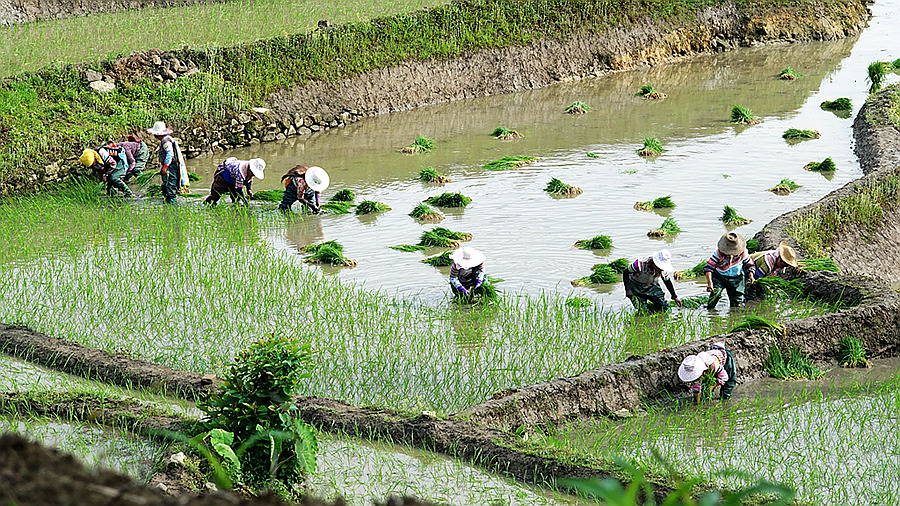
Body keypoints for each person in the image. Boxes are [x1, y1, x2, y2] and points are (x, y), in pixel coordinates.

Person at [703, 232, 755, 309]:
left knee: (736, 303)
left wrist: (751, 276)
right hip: (719, 277)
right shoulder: (718, 253)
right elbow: (708, 268)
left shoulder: (743, 253)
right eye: (728, 253)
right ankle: (710, 312)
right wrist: (710, 283)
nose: (730, 255)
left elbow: (749, 265)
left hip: (737, 278)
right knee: (715, 296)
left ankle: (733, 318)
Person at [147, 121, 189, 205]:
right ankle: (169, 201)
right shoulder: (166, 139)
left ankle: (172, 203)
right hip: (170, 165)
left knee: (171, 184)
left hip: (171, 166)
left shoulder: (166, 141)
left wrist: (165, 166)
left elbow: (170, 153)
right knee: (166, 184)